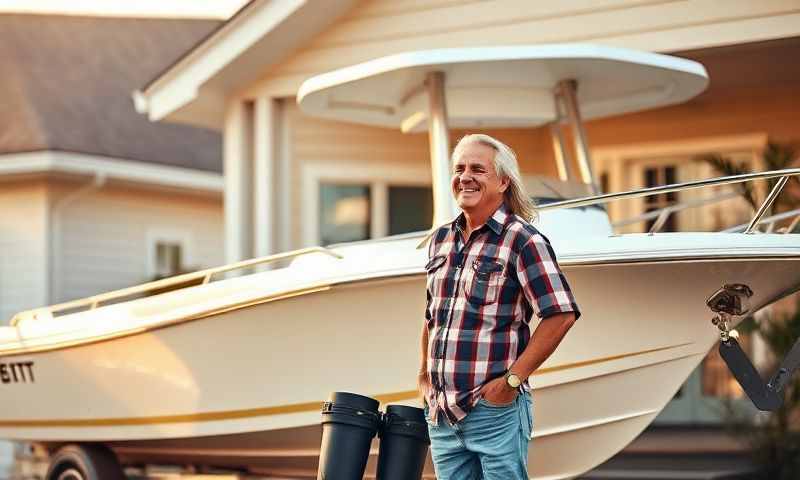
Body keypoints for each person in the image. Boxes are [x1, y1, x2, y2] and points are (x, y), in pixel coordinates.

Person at [418, 134, 581, 479]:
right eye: (459, 168)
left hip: (494, 411)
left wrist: (510, 382)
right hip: (442, 415)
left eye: (478, 169)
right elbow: (432, 316)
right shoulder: (441, 239)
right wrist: (423, 376)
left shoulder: (523, 240)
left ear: (504, 182)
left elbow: (561, 314)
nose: (465, 176)